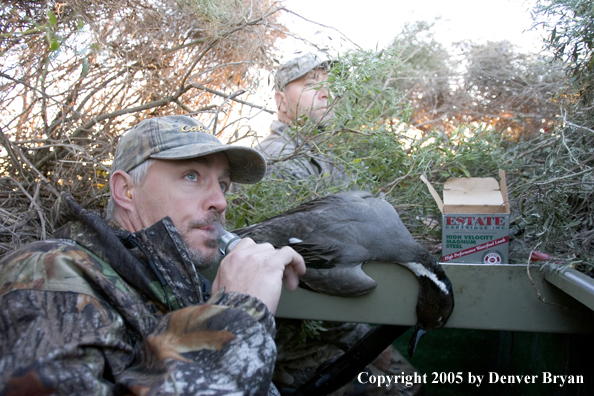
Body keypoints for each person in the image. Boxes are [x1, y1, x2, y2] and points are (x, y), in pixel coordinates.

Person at [0, 115, 305, 395]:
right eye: (191, 176)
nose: (220, 201)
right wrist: (237, 314)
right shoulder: (48, 271)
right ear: (126, 190)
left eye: (223, 184)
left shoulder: (187, 286)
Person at [257, 54, 424, 396]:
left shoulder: (329, 162)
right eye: (310, 84)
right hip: (296, 348)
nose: (325, 93)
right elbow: (312, 272)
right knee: (405, 389)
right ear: (280, 102)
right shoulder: (278, 162)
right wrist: (367, 342)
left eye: (330, 86)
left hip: (334, 332)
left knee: (412, 381)